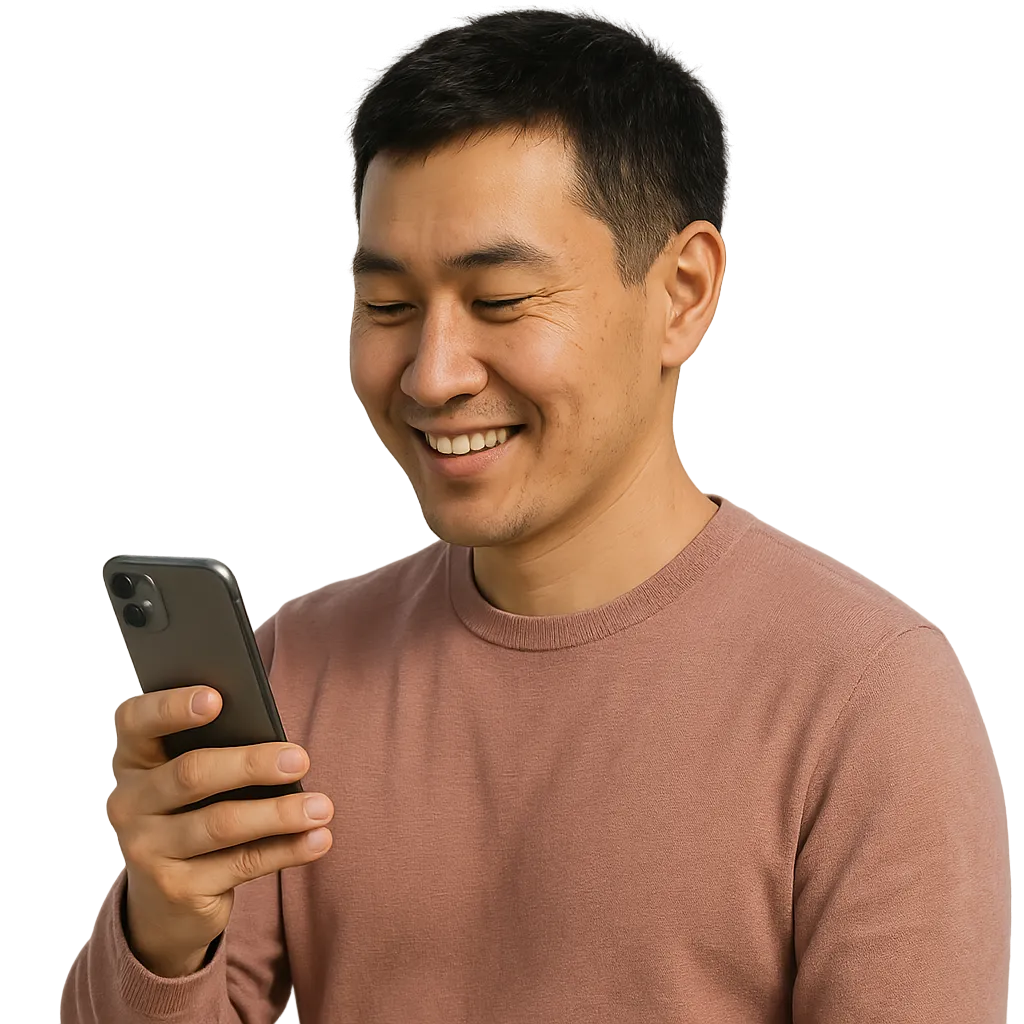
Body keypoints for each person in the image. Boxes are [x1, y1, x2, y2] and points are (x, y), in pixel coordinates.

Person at [60, 10, 1009, 1022]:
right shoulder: (302, 667)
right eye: (388, 308)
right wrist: (165, 927)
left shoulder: (866, 694)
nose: (431, 375)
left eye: (502, 300)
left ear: (683, 292)